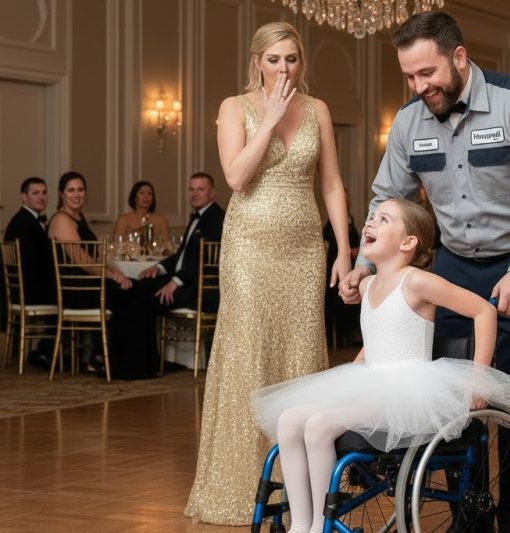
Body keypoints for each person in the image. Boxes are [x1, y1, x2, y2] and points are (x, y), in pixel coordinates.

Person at [338, 12, 510, 531]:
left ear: (459, 57)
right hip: (453, 269)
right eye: (409, 77)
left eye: (427, 74)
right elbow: (385, 198)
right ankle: (466, 512)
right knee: (448, 400)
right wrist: (366, 264)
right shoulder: (407, 121)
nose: (419, 87)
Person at [253, 199, 510, 533]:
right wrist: (346, 380)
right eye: (371, 216)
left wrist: (479, 377)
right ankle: (301, 523)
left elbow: (483, 312)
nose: (370, 223)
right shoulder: (368, 285)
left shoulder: (415, 281)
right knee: (289, 419)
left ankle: (319, 527)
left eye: (383, 219)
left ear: (408, 242)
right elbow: (375, 346)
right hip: (372, 379)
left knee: (318, 426)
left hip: (406, 388)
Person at [182, 22, 353, 525]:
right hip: (250, 247)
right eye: (275, 59)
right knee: (251, 353)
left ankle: (305, 489)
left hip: (304, 249)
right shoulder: (234, 108)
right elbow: (235, 176)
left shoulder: (319, 110)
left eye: (293, 59)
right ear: (257, 61)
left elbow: (333, 185)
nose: (285, 68)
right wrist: (272, 117)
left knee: (302, 353)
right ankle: (241, 484)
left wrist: (343, 249)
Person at [47, 171, 159, 378]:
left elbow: (93, 258)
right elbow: (81, 260)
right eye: (71, 190)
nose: (76, 194)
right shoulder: (62, 220)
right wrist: (112, 275)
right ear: (61, 194)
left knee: (140, 288)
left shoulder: (78, 217)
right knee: (131, 292)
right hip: (75, 289)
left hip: (89, 283)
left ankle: (138, 362)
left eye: (80, 189)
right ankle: (122, 364)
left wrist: (112, 271)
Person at [139, 173, 225, 313]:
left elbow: (202, 259)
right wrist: (159, 267)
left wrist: (175, 282)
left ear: (212, 194)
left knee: (142, 297)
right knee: (141, 286)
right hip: (187, 281)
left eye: (200, 189)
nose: (194, 194)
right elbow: (183, 254)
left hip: (200, 289)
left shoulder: (216, 218)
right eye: (191, 189)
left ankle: (141, 335)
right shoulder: (199, 216)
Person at [3, 177, 56, 369]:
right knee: (73, 295)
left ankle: (49, 350)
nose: (41, 197)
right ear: (23, 197)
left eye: (44, 192)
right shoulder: (24, 223)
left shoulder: (27, 220)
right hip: (31, 290)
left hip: (26, 288)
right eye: (35, 193)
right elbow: (34, 264)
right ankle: (50, 351)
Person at [322, 187, 360, 347]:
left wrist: (355, 250)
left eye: (347, 198)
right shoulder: (332, 221)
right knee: (333, 303)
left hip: (348, 263)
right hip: (333, 265)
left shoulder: (350, 219)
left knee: (347, 303)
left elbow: (356, 239)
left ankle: (348, 338)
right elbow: (326, 235)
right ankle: (332, 341)